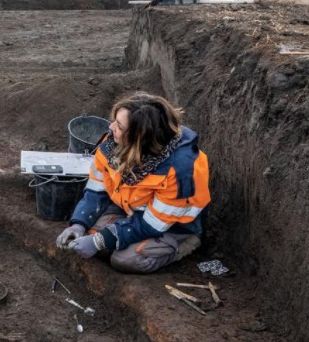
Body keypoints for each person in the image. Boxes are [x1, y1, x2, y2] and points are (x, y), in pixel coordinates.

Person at [55, 93, 209, 273]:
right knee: (91, 239)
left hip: (173, 226)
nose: (111, 128)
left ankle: (185, 245)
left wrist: (100, 240)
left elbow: (152, 224)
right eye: (114, 121)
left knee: (125, 260)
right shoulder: (113, 142)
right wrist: (79, 223)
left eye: (119, 126)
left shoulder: (180, 169)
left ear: (139, 138)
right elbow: (96, 190)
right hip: (130, 208)